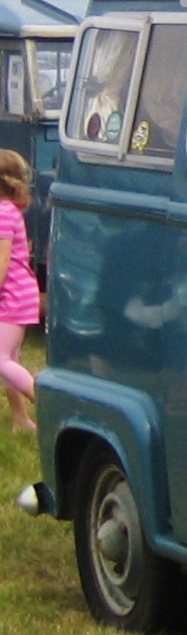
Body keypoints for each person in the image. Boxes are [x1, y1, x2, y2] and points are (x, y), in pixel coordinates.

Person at [0, 150, 42, 431]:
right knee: (9, 358)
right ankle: (20, 419)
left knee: (1, 359)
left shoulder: (2, 212)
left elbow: (2, 260)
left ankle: (45, 405)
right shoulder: (9, 210)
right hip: (20, 294)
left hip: (12, 296)